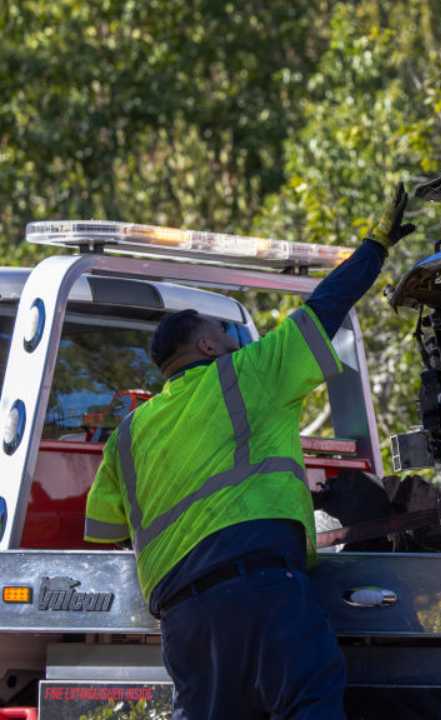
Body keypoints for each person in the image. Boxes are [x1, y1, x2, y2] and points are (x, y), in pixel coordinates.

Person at [81, 184, 415, 719]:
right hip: (260, 590)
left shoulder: (127, 435)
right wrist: (376, 245)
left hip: (185, 620)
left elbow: (102, 529)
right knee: (310, 698)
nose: (233, 338)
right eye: (223, 331)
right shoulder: (247, 376)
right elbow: (326, 306)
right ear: (207, 347)